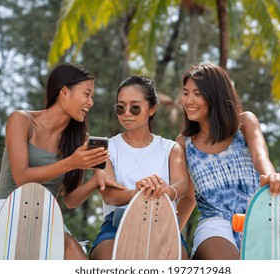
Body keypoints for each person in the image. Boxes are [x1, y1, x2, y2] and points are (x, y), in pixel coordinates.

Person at [0, 63, 124, 260]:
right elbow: (22, 176)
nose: (91, 102)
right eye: (86, 94)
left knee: (78, 260)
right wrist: (71, 162)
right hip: (5, 205)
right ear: (64, 92)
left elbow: (71, 199)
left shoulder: (79, 138)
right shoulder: (22, 120)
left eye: (92, 96)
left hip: (48, 214)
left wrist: (97, 179)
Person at [65, 75, 190, 260]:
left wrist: (167, 191)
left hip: (163, 224)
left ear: (152, 108)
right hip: (116, 225)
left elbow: (182, 185)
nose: (127, 113)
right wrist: (140, 193)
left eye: (135, 107)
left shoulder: (171, 148)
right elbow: (109, 195)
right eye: (120, 107)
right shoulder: (105, 148)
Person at [175, 62, 280, 260]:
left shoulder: (245, 123)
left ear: (215, 94)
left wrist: (272, 177)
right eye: (186, 93)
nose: (189, 100)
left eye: (197, 93)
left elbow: (260, 156)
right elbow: (189, 197)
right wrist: (169, 233)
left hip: (256, 218)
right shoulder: (183, 143)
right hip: (215, 222)